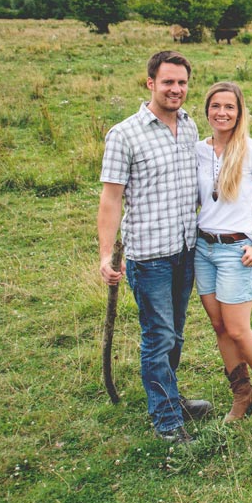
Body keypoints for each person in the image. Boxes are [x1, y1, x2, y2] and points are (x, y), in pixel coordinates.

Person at [98, 51, 213, 443]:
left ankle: (171, 398)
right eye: (167, 82)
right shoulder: (124, 134)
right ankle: (166, 421)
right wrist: (104, 253)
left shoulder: (190, 126)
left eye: (182, 83)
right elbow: (111, 198)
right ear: (150, 83)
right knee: (158, 336)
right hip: (149, 256)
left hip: (185, 249)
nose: (176, 89)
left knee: (176, 335)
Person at [194, 81, 252, 422]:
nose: (222, 112)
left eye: (229, 107)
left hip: (237, 250)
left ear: (239, 111)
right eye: (216, 106)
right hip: (203, 248)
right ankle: (242, 394)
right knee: (219, 326)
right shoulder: (197, 150)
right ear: (207, 111)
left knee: (237, 328)